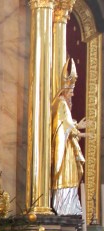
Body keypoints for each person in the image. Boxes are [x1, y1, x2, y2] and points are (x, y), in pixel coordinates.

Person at [52, 58, 87, 216]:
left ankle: (69, 207)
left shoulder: (61, 104)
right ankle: (65, 207)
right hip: (65, 150)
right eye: (71, 90)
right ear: (64, 89)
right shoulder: (61, 103)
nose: (72, 93)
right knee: (67, 175)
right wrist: (79, 131)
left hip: (68, 147)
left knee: (72, 174)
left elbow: (67, 123)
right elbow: (64, 126)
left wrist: (77, 127)